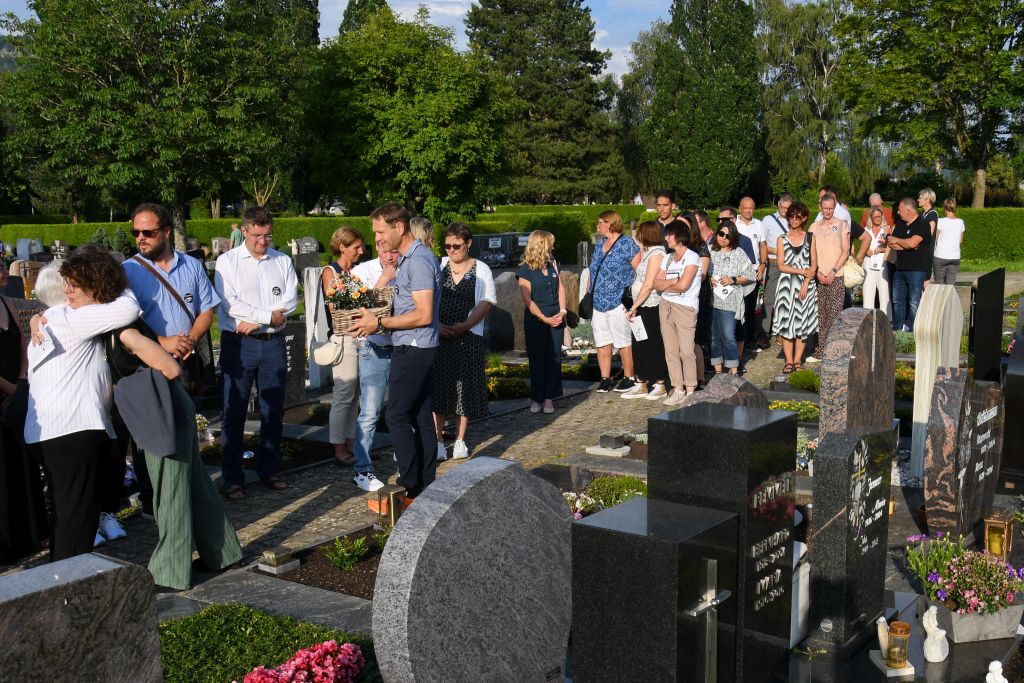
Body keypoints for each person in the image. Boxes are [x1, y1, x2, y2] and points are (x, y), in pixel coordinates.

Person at [104, 305, 242, 591]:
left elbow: (170, 368)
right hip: (168, 408)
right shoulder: (119, 323)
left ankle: (169, 573)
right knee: (196, 484)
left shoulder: (125, 332)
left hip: (161, 412)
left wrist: (125, 389)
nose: (69, 294)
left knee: (170, 491)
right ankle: (223, 553)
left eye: (74, 287)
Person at [25, 246, 141, 561]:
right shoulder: (73, 317)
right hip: (71, 429)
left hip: (53, 431)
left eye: (75, 284)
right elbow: (129, 309)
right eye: (67, 283)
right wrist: (118, 282)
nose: (68, 290)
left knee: (68, 515)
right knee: (77, 519)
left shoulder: (52, 316)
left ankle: (63, 576)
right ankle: (69, 581)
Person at [124, 202, 219, 520]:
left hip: (185, 361)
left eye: (147, 232)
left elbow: (207, 309)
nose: (140, 238)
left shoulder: (191, 265)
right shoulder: (129, 270)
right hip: (147, 365)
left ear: (166, 232)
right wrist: (163, 343)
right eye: (136, 232)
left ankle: (186, 494)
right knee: (149, 437)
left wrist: (189, 339)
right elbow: (125, 322)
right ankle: (152, 501)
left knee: (185, 429)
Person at [351, 203, 441, 501]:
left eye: (380, 231)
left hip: (414, 345)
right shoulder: (411, 259)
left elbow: (423, 314)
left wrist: (379, 323)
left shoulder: (418, 260)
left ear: (399, 227)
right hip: (416, 344)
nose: (377, 238)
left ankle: (409, 485)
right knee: (420, 414)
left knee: (397, 415)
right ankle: (424, 483)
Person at [214, 206, 298, 500]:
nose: (263, 241)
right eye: (257, 236)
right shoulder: (227, 262)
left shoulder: (281, 260)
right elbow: (229, 304)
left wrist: (262, 322)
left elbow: (290, 300)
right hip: (239, 343)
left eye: (268, 236)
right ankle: (232, 477)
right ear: (244, 231)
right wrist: (267, 316)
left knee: (272, 409)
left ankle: (269, 469)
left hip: (272, 342)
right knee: (234, 410)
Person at [433, 223, 496, 459]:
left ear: (468, 243)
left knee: (464, 388)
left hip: (468, 336)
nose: (451, 250)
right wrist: (436, 326)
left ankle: (459, 439)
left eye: (456, 246)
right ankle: (438, 440)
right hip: (439, 334)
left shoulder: (481, 269)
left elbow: (487, 301)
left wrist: (466, 325)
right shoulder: (439, 265)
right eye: (447, 245)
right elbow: (427, 297)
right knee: (439, 387)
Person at [0, 260, 47, 562]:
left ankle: (29, 536)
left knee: (22, 463)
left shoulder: (6, 304)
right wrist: (10, 390)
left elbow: (21, 345)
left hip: (15, 392)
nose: (4, 272)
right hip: (4, 394)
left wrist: (20, 380)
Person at [350, 241, 398, 493]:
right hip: (374, 348)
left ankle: (405, 460)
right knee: (370, 412)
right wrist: (385, 278)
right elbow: (360, 310)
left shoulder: (409, 268)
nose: (389, 256)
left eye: (394, 251)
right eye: (384, 250)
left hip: (402, 347)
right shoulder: (363, 271)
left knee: (403, 410)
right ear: (377, 247)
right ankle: (362, 469)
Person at [319, 227, 366, 467]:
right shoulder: (331, 271)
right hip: (343, 337)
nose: (361, 251)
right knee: (343, 395)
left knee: (355, 396)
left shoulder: (355, 272)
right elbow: (335, 308)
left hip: (359, 336)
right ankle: (338, 448)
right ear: (342, 247)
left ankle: (351, 443)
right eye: (356, 247)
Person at [587, 210, 639, 393]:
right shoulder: (600, 244)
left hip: (618, 301)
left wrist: (632, 297)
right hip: (598, 302)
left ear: (610, 223)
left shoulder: (627, 244)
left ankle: (629, 377)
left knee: (623, 341)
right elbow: (593, 270)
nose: (597, 225)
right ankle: (605, 378)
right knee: (602, 341)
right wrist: (588, 292)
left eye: (600, 222)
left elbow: (639, 270)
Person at [516, 231, 566, 414]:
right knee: (537, 358)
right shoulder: (525, 269)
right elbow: (527, 299)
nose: (552, 247)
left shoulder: (552, 263)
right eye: (550, 244)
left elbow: (561, 288)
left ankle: (549, 397)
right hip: (536, 318)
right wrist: (543, 318)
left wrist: (562, 311)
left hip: (556, 316)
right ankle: (537, 397)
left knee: (554, 358)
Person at [654, 221, 702, 405]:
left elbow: (684, 286)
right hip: (666, 305)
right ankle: (678, 388)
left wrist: (667, 284)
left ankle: (690, 389)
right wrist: (673, 281)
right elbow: (656, 283)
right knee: (671, 350)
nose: (666, 238)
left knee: (686, 351)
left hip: (686, 308)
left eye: (669, 234)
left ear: (680, 236)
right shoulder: (667, 258)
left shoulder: (692, 257)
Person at [622, 221, 669, 400]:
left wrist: (634, 306)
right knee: (639, 343)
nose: (636, 236)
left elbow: (649, 284)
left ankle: (660, 382)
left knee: (653, 344)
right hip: (640, 304)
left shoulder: (657, 254)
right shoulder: (648, 252)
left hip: (650, 304)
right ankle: (641, 381)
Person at [772, 202, 818, 371]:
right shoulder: (781, 239)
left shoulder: (810, 237)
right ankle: (788, 361)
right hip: (786, 287)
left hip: (806, 286)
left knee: (802, 324)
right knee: (786, 324)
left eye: (797, 217)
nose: (794, 219)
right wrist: (801, 271)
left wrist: (805, 283)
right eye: (791, 216)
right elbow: (781, 265)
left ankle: (798, 361)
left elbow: (814, 265)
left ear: (804, 218)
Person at [708, 220, 757, 374]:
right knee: (713, 337)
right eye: (721, 233)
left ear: (733, 237)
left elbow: (750, 275)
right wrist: (708, 279)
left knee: (728, 336)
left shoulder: (739, 253)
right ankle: (718, 372)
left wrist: (733, 279)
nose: (723, 237)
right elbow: (699, 273)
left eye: (728, 236)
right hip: (711, 301)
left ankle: (733, 371)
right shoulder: (709, 251)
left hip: (730, 302)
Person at [809, 193, 849, 349]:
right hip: (818, 276)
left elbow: (845, 251)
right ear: (820, 207)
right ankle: (821, 348)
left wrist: (833, 271)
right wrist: (817, 272)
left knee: (834, 314)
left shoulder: (842, 224)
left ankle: (833, 349)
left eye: (831, 208)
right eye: (825, 208)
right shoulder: (814, 227)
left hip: (836, 275)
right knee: (820, 314)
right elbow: (810, 252)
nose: (828, 211)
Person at [887, 198, 933, 332]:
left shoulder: (923, 224)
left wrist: (899, 241)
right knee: (897, 300)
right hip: (899, 269)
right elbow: (891, 244)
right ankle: (897, 330)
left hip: (916, 270)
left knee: (913, 302)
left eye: (900, 210)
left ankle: (912, 331)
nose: (898, 213)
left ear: (908, 210)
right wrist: (907, 245)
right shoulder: (900, 224)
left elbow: (912, 243)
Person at [735, 197, 769, 351]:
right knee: (738, 306)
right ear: (740, 208)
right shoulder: (734, 224)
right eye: (746, 208)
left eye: (751, 208)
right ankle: (737, 340)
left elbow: (763, 245)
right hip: (737, 271)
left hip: (754, 270)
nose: (749, 211)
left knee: (750, 307)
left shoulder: (759, 224)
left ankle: (748, 340)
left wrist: (763, 264)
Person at [762, 194, 793, 343]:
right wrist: (777, 251)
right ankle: (764, 333)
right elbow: (762, 244)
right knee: (769, 299)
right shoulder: (768, 220)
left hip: (789, 265)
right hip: (773, 263)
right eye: (784, 207)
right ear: (779, 205)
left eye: (788, 208)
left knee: (786, 300)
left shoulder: (794, 220)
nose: (786, 210)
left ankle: (782, 332)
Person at [855, 206, 892, 316]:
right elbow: (861, 245)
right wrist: (865, 250)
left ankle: (887, 320)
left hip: (882, 265)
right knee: (867, 294)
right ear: (871, 217)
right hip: (868, 264)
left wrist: (882, 249)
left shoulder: (887, 229)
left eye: (879, 216)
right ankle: (867, 319)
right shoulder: (866, 230)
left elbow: (892, 247)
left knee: (884, 294)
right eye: (875, 216)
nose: (877, 218)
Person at [933, 198, 965, 285]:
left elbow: (936, 238)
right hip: (955, 256)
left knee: (939, 283)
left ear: (945, 208)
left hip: (940, 255)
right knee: (951, 284)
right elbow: (960, 241)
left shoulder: (940, 221)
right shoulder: (961, 222)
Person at [918, 188, 939, 285]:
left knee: (925, 282)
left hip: (926, 252)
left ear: (927, 200)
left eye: (920, 198)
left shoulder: (932, 214)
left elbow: (929, 234)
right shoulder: (922, 214)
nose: (918, 199)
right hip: (920, 251)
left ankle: (927, 295)